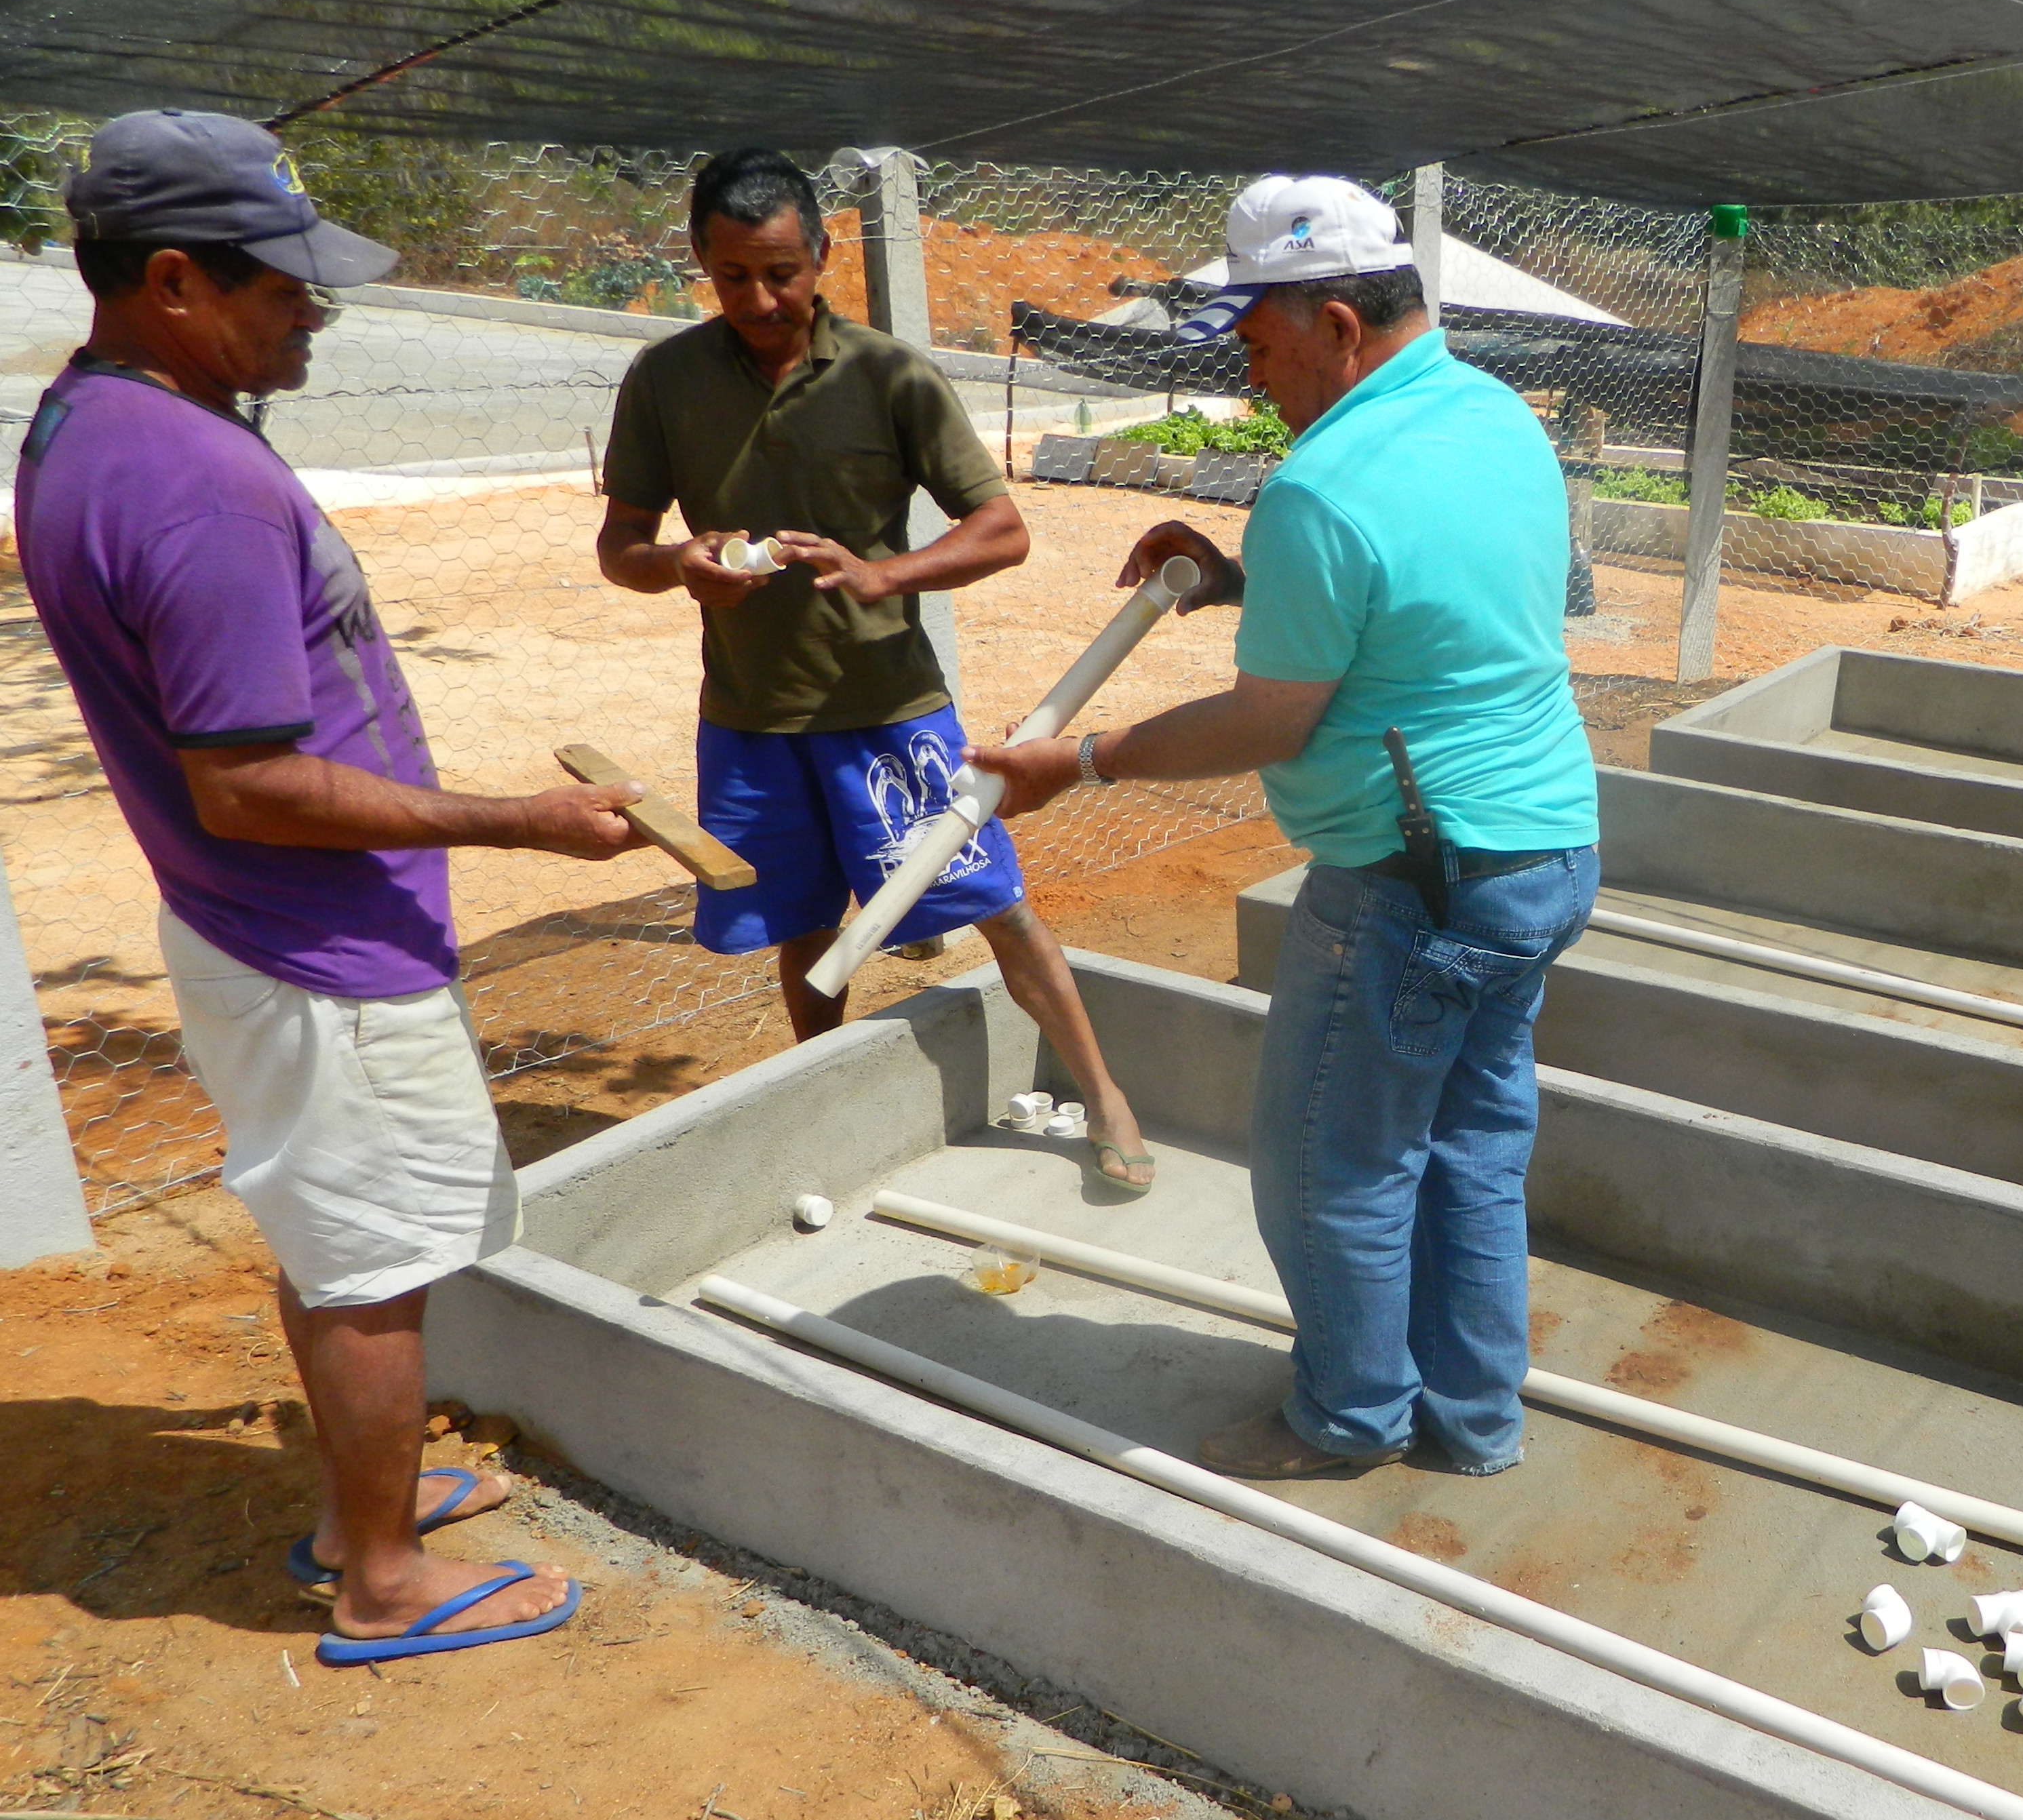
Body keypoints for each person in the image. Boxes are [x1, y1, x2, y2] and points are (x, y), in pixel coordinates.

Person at [14, 111, 633, 1659]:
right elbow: (249, 781)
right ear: (171, 281)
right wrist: (522, 823)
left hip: (257, 930)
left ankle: (375, 1500)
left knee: (332, 1235)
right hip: (315, 943)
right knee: (378, 1267)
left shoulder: (91, 421)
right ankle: (378, 1577)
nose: (315, 317)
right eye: (286, 289)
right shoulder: (195, 481)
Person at [973, 176, 1600, 1478]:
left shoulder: (1325, 484)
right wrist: (1239, 582)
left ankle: (1352, 1420)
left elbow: (1272, 724)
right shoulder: (1494, 417)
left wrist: (1076, 761)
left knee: (1338, 1170)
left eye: (1260, 345)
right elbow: (1420, 606)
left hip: (1411, 885)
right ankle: (1475, 1422)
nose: (1255, 376)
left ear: (1336, 322)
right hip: (1544, 851)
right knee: (1473, 1151)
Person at [595, 146, 1152, 1190]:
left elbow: (1001, 531)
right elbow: (620, 544)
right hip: (752, 722)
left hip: (892, 715)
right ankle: (824, 1105)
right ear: (701, 266)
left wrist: (884, 573)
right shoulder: (665, 380)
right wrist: (676, 566)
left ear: (823, 252)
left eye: (781, 273)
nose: (760, 299)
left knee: (992, 898)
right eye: (731, 278)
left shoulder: (889, 374)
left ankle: (1103, 1091)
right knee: (803, 929)